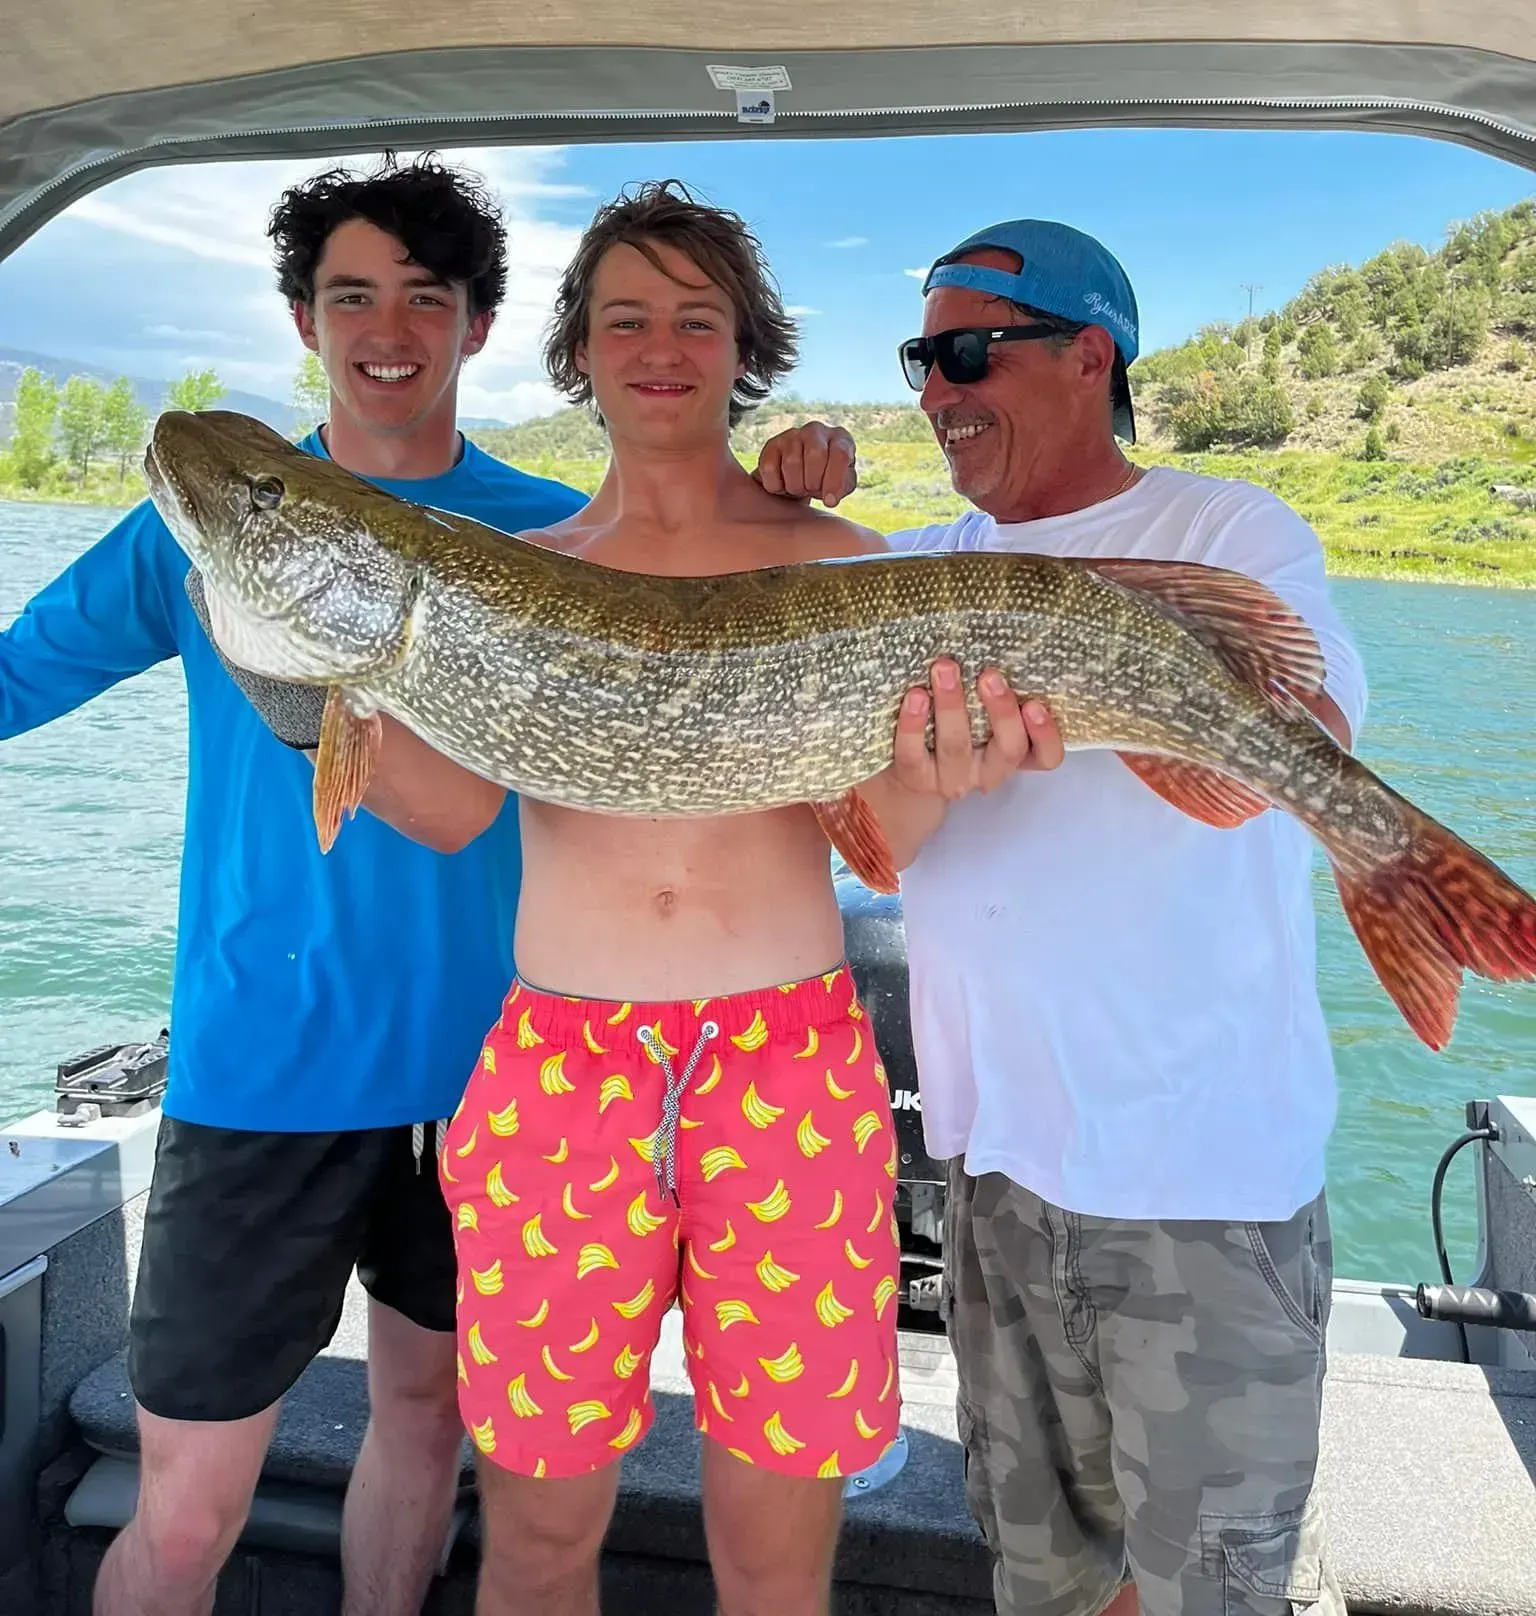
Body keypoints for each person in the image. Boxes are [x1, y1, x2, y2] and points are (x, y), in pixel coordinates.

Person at [0, 154, 843, 1616]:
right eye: (349, 295)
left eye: (426, 296)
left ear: (475, 323)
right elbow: (14, 678)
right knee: (187, 1500)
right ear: (305, 319)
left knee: (429, 1433)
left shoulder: (539, 535)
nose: (386, 327)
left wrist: (784, 478)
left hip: (490, 1081)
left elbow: (722, 600)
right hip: (262, 1062)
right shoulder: (193, 536)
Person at [341, 182, 1062, 1616]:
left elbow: (880, 838)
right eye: (625, 319)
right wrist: (318, 690)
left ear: (747, 349)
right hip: (562, 1071)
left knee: (775, 1557)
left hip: (787, 1067)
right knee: (539, 1538)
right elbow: (446, 812)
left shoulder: (845, 563)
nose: (659, 346)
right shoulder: (513, 580)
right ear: (579, 354)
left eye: (695, 317)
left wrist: (950, 765)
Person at [783, 219, 1367, 1616]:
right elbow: (819, 768)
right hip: (995, 1175)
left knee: (1206, 1599)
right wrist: (777, 489)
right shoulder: (914, 562)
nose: (936, 390)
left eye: (967, 352)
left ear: (1089, 354)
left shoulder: (1226, 528)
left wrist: (1130, 686)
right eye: (921, 358)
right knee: (1042, 1587)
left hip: (1201, 1183)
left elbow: (1317, 725)